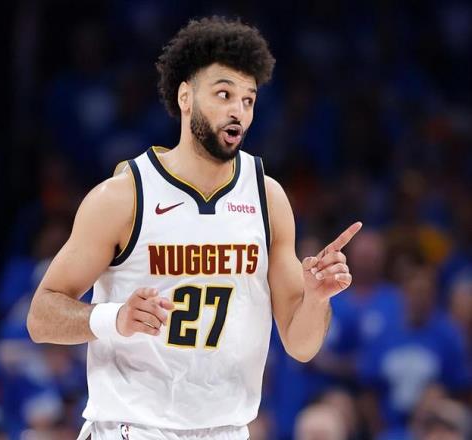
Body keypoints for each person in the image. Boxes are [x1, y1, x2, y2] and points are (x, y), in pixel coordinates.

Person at [27, 16, 362, 440]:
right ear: (185, 96)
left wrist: (316, 298)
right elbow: (41, 316)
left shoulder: (268, 198)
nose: (238, 110)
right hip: (133, 428)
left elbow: (300, 344)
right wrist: (115, 317)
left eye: (248, 100)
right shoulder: (124, 196)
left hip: (226, 430)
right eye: (224, 94)